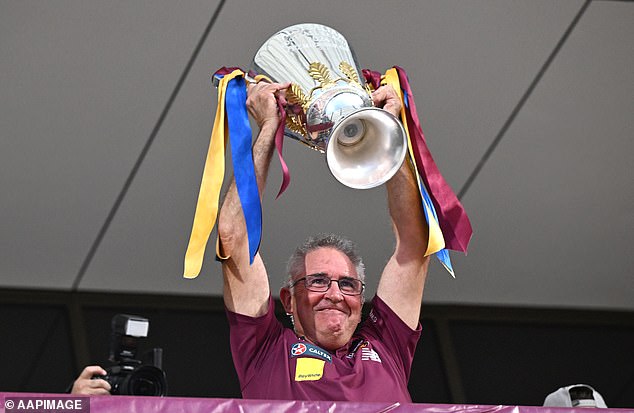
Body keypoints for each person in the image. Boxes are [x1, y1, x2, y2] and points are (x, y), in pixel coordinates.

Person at [218, 80, 430, 402]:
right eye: (318, 281)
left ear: (361, 301)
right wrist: (267, 130)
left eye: (348, 284)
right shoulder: (266, 350)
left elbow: (414, 246)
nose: (335, 294)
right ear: (288, 301)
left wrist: (388, 129)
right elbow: (232, 238)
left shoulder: (387, 345)